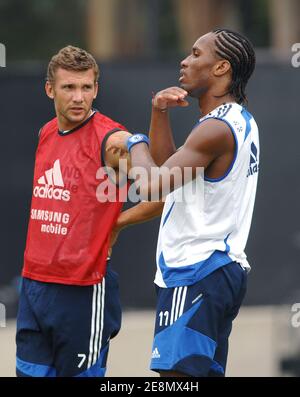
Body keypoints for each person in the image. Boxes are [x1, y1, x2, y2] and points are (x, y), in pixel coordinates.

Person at [110, 28, 259, 377]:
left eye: (195, 54)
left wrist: (132, 141)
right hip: (218, 272)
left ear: (221, 68)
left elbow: (151, 184)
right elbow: (172, 181)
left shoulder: (215, 130)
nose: (184, 60)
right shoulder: (237, 122)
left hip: (196, 271)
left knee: (176, 380)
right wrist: (158, 112)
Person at [16, 45, 135, 377]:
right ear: (50, 89)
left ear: (96, 88)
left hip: (83, 289)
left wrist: (117, 224)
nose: (79, 97)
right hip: (34, 285)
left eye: (87, 87)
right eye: (69, 87)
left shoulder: (110, 140)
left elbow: (164, 189)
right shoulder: (46, 133)